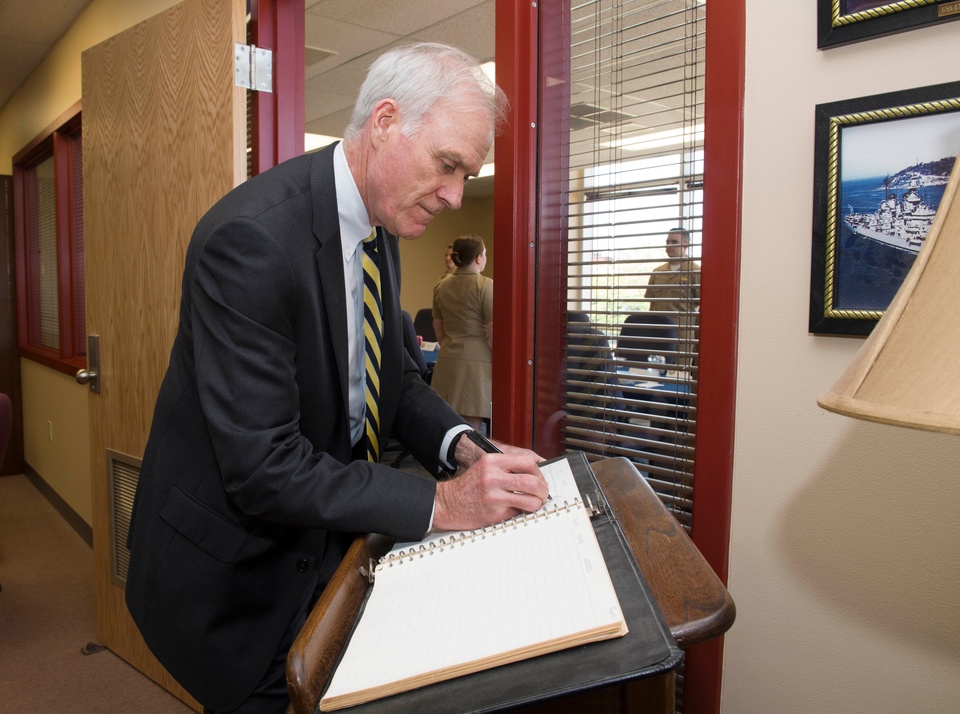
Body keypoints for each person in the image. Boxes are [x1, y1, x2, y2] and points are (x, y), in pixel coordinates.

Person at [124, 42, 548, 714]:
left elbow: (399, 382)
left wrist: (468, 448)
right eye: (447, 166)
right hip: (230, 583)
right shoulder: (253, 241)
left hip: (321, 547)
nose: (455, 195)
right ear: (384, 122)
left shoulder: (380, 225)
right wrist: (444, 505)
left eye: (467, 174)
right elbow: (264, 466)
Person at [430, 235, 493, 432]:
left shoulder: (441, 285)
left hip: (447, 359)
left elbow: (438, 327)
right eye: (484, 254)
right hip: (476, 364)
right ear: (478, 258)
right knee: (471, 434)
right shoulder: (485, 285)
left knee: (449, 431)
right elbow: (493, 331)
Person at [644, 227, 700, 368]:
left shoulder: (694, 270)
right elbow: (652, 303)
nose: (669, 246)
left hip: (681, 333)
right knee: (656, 371)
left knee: (679, 374)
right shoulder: (658, 272)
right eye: (667, 242)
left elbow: (703, 304)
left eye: (674, 242)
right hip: (658, 331)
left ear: (686, 244)